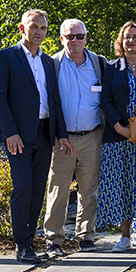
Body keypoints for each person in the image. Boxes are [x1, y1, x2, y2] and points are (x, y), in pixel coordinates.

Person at [0, 9, 67, 263]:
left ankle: (29, 243)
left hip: (45, 133)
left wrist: (61, 134)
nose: (39, 32)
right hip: (19, 137)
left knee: (36, 190)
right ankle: (21, 244)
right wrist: (10, 132)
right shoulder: (6, 57)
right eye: (34, 27)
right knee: (22, 185)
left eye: (43, 28)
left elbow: (53, 100)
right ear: (22, 28)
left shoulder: (47, 61)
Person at [41, 18, 107, 256]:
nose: (75, 41)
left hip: (93, 136)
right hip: (63, 139)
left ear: (86, 38)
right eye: (70, 37)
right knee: (58, 189)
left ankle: (86, 236)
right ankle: (53, 239)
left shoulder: (100, 63)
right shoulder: (52, 64)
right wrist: (58, 135)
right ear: (61, 39)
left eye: (79, 36)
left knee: (89, 190)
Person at [95, 21, 136, 251]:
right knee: (121, 185)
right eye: (127, 37)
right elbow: (105, 100)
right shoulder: (111, 68)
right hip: (117, 136)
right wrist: (120, 127)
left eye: (135, 37)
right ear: (121, 41)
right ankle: (125, 236)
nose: (131, 41)